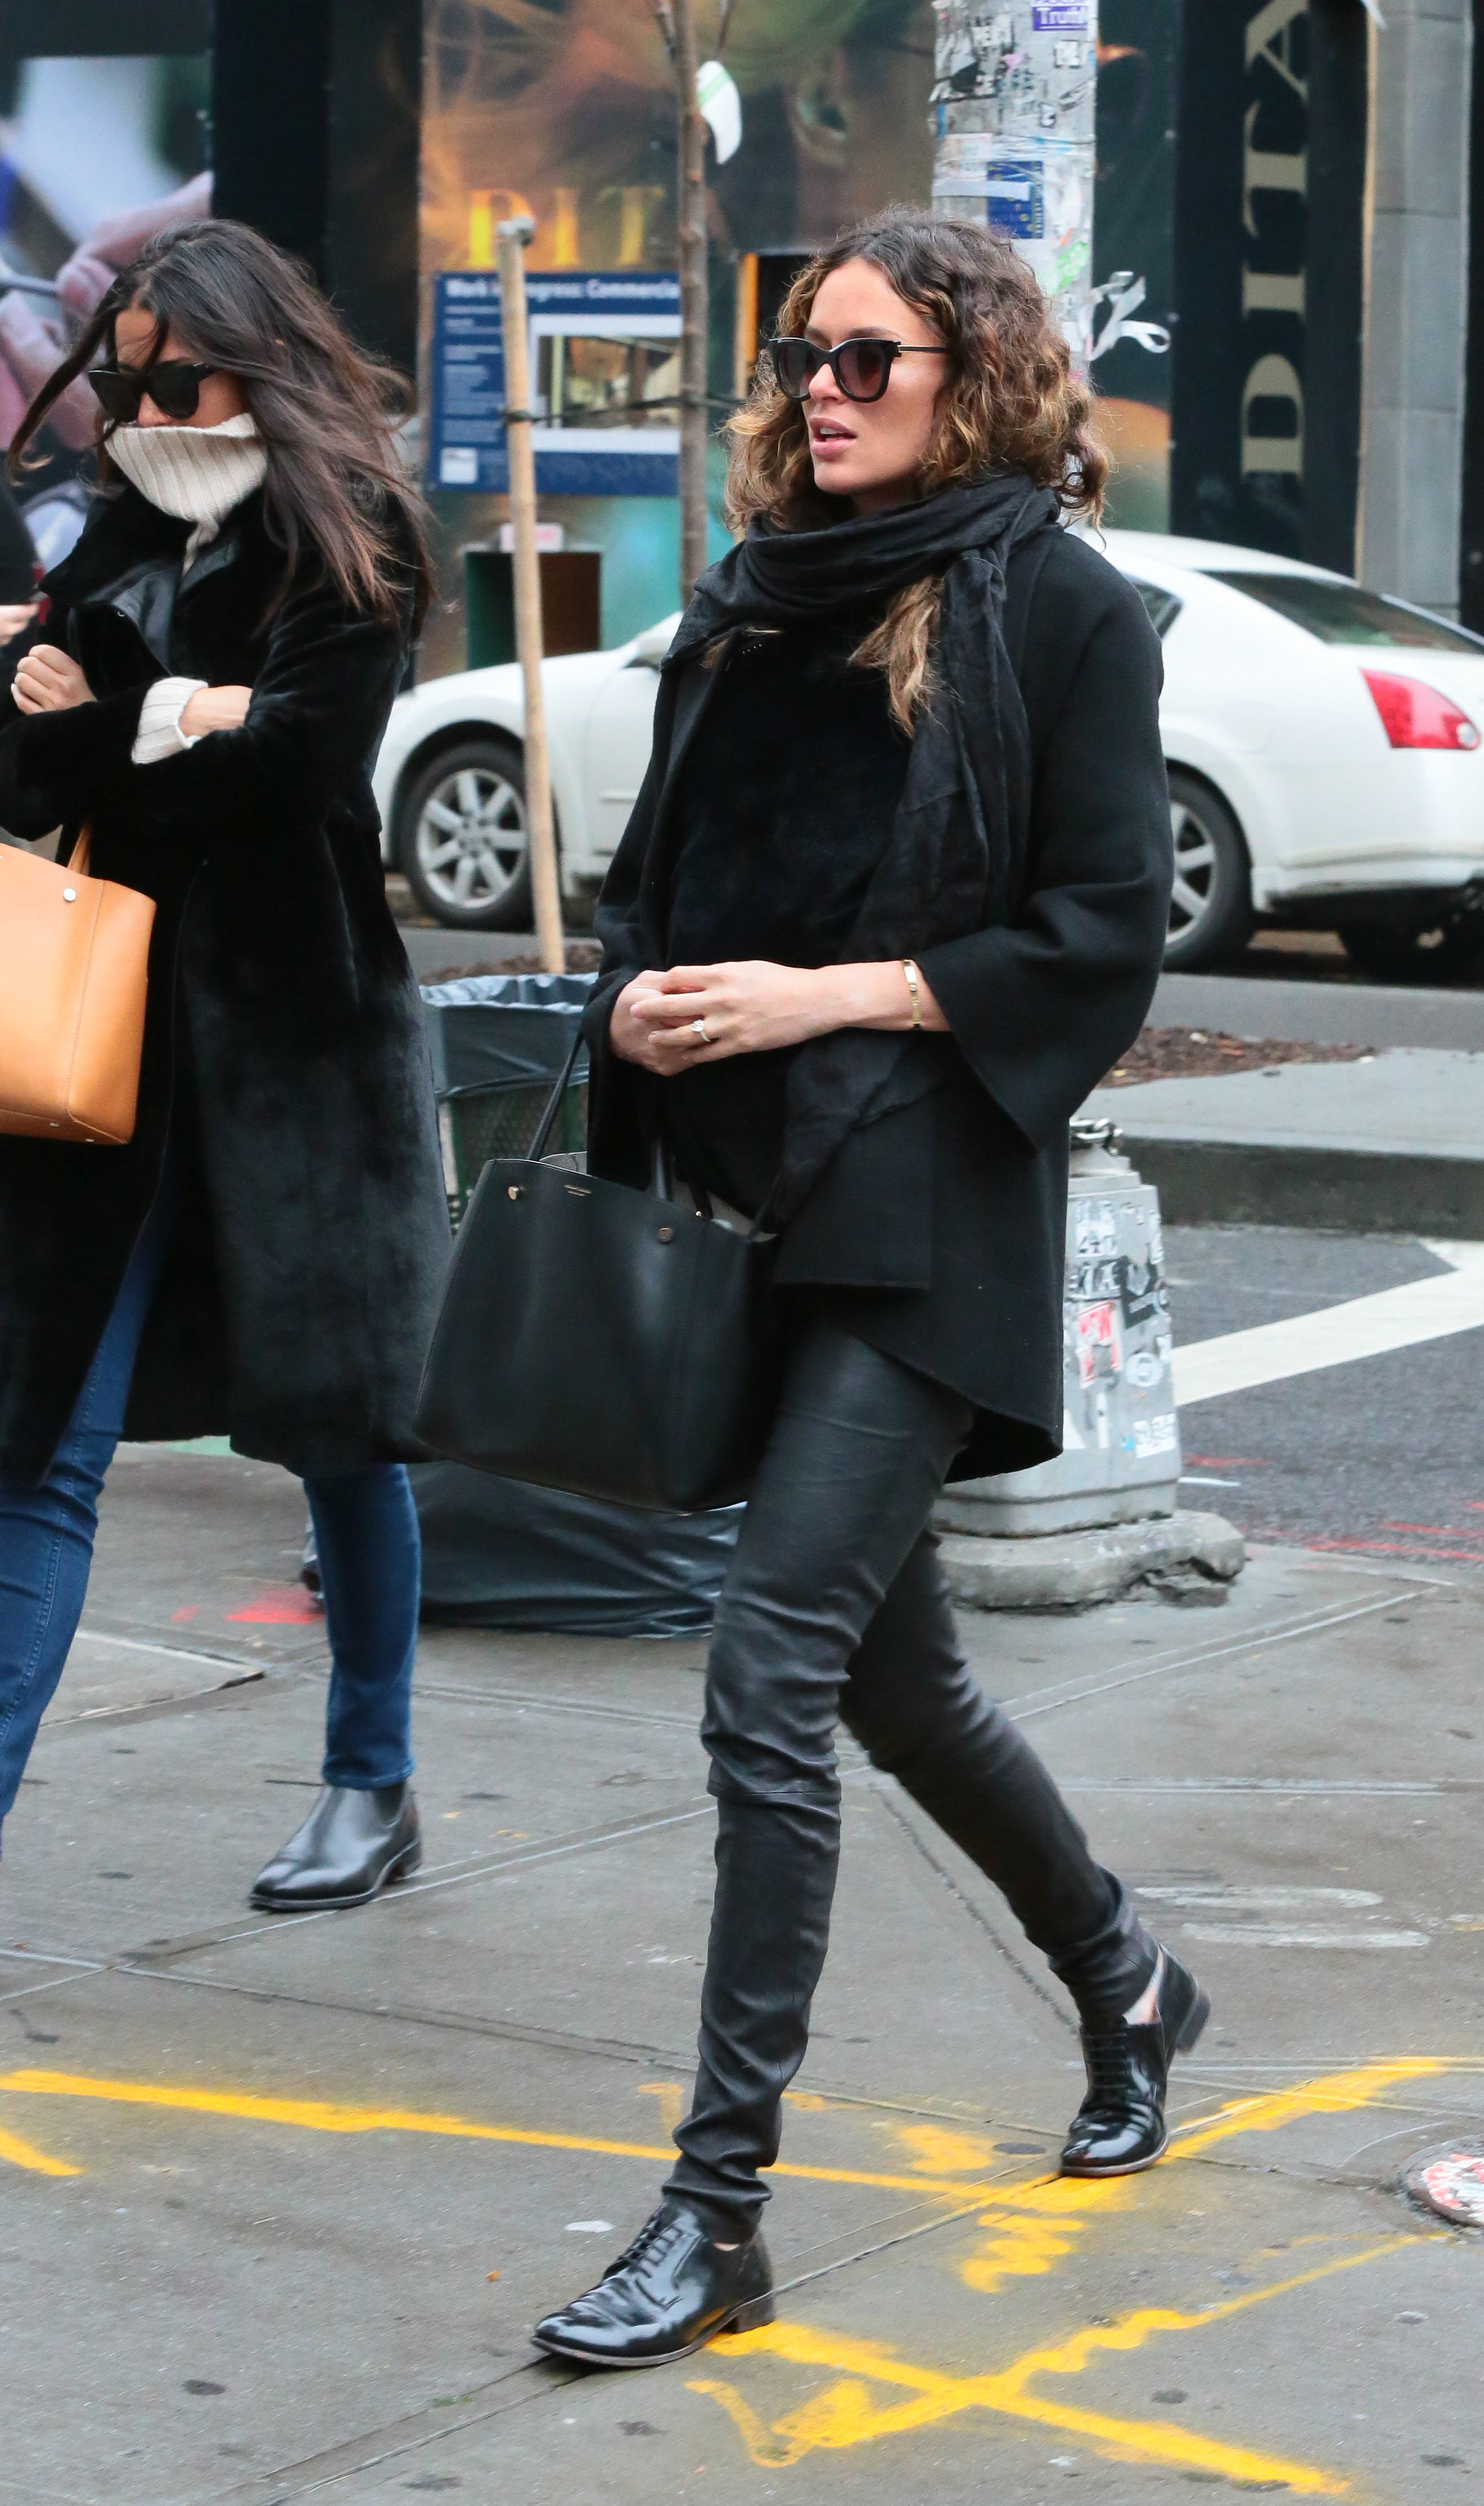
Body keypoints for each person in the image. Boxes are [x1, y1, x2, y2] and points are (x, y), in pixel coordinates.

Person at [532, 209, 1196, 2372]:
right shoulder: (746, 604)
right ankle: (1125, 1975)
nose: (821, 390)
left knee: (764, 1678)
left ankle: (715, 2209)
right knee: (896, 1687)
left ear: (970, 375)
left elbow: (1100, 930)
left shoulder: (1063, 608)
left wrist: (829, 994)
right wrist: (633, 1003)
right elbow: (651, 890)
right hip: (748, 1204)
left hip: (920, 1216)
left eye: (868, 358)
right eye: (804, 354)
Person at [0, 219, 452, 1907]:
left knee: (344, 1434)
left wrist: (116, 709)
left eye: (170, 380)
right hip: (100, 1047)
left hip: (300, 1050)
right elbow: (19, 756)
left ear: (254, 363)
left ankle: (372, 1781)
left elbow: (301, 773)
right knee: (45, 1444)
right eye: (117, 383)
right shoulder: (120, 520)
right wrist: (179, 711)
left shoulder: (351, 529)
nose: (137, 413)